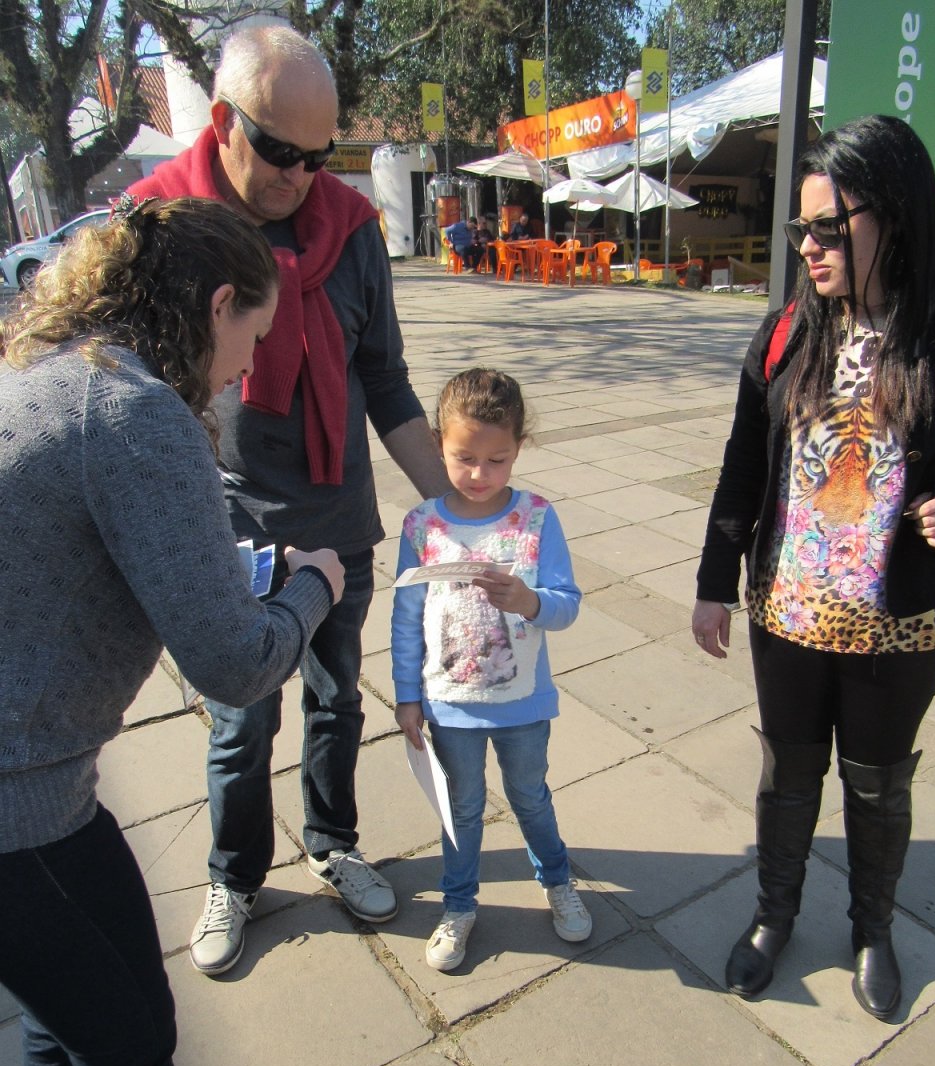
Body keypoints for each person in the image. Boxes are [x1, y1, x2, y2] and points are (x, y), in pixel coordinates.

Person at [0, 197, 334, 1066]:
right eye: (251, 339)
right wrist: (315, 590)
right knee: (131, 1037)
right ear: (217, 304)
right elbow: (235, 663)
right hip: (20, 809)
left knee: (64, 1016)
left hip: (30, 787)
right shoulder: (133, 410)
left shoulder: (54, 370)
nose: (248, 371)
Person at [128, 25, 450, 977]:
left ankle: (333, 843)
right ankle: (235, 875)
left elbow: (386, 382)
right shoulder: (162, 227)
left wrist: (458, 509)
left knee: (338, 701)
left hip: (338, 523)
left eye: (320, 155)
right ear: (224, 121)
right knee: (242, 720)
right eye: (279, 152)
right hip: (228, 533)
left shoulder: (352, 230)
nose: (300, 177)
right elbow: (134, 400)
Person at [692, 115, 935, 1021]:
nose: (806, 246)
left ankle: (872, 930)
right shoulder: (785, 334)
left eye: (826, 228)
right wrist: (713, 584)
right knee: (788, 775)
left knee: (879, 785)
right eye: (799, 228)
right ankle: (774, 917)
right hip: (789, 613)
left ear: (892, 215)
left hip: (901, 624)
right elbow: (741, 466)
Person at [391, 368, 591, 971]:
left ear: (519, 448)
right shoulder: (421, 526)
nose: (480, 474)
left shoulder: (536, 517)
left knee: (530, 797)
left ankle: (557, 881)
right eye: (464, 458)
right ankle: (458, 906)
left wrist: (530, 601)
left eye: (496, 460)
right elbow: (406, 617)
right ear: (438, 445)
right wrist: (406, 696)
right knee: (462, 809)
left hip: (523, 705)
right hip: (449, 706)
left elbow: (567, 605)